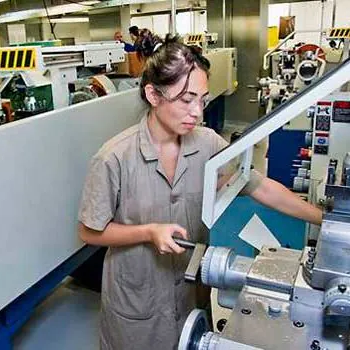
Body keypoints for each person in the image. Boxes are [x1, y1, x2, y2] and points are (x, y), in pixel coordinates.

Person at [78, 34, 323, 350]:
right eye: (186, 99)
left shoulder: (207, 144)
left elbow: (259, 186)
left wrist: (322, 218)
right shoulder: (114, 157)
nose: (197, 112)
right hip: (136, 300)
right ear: (153, 94)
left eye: (202, 100)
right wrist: (148, 232)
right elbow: (89, 232)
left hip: (189, 289)